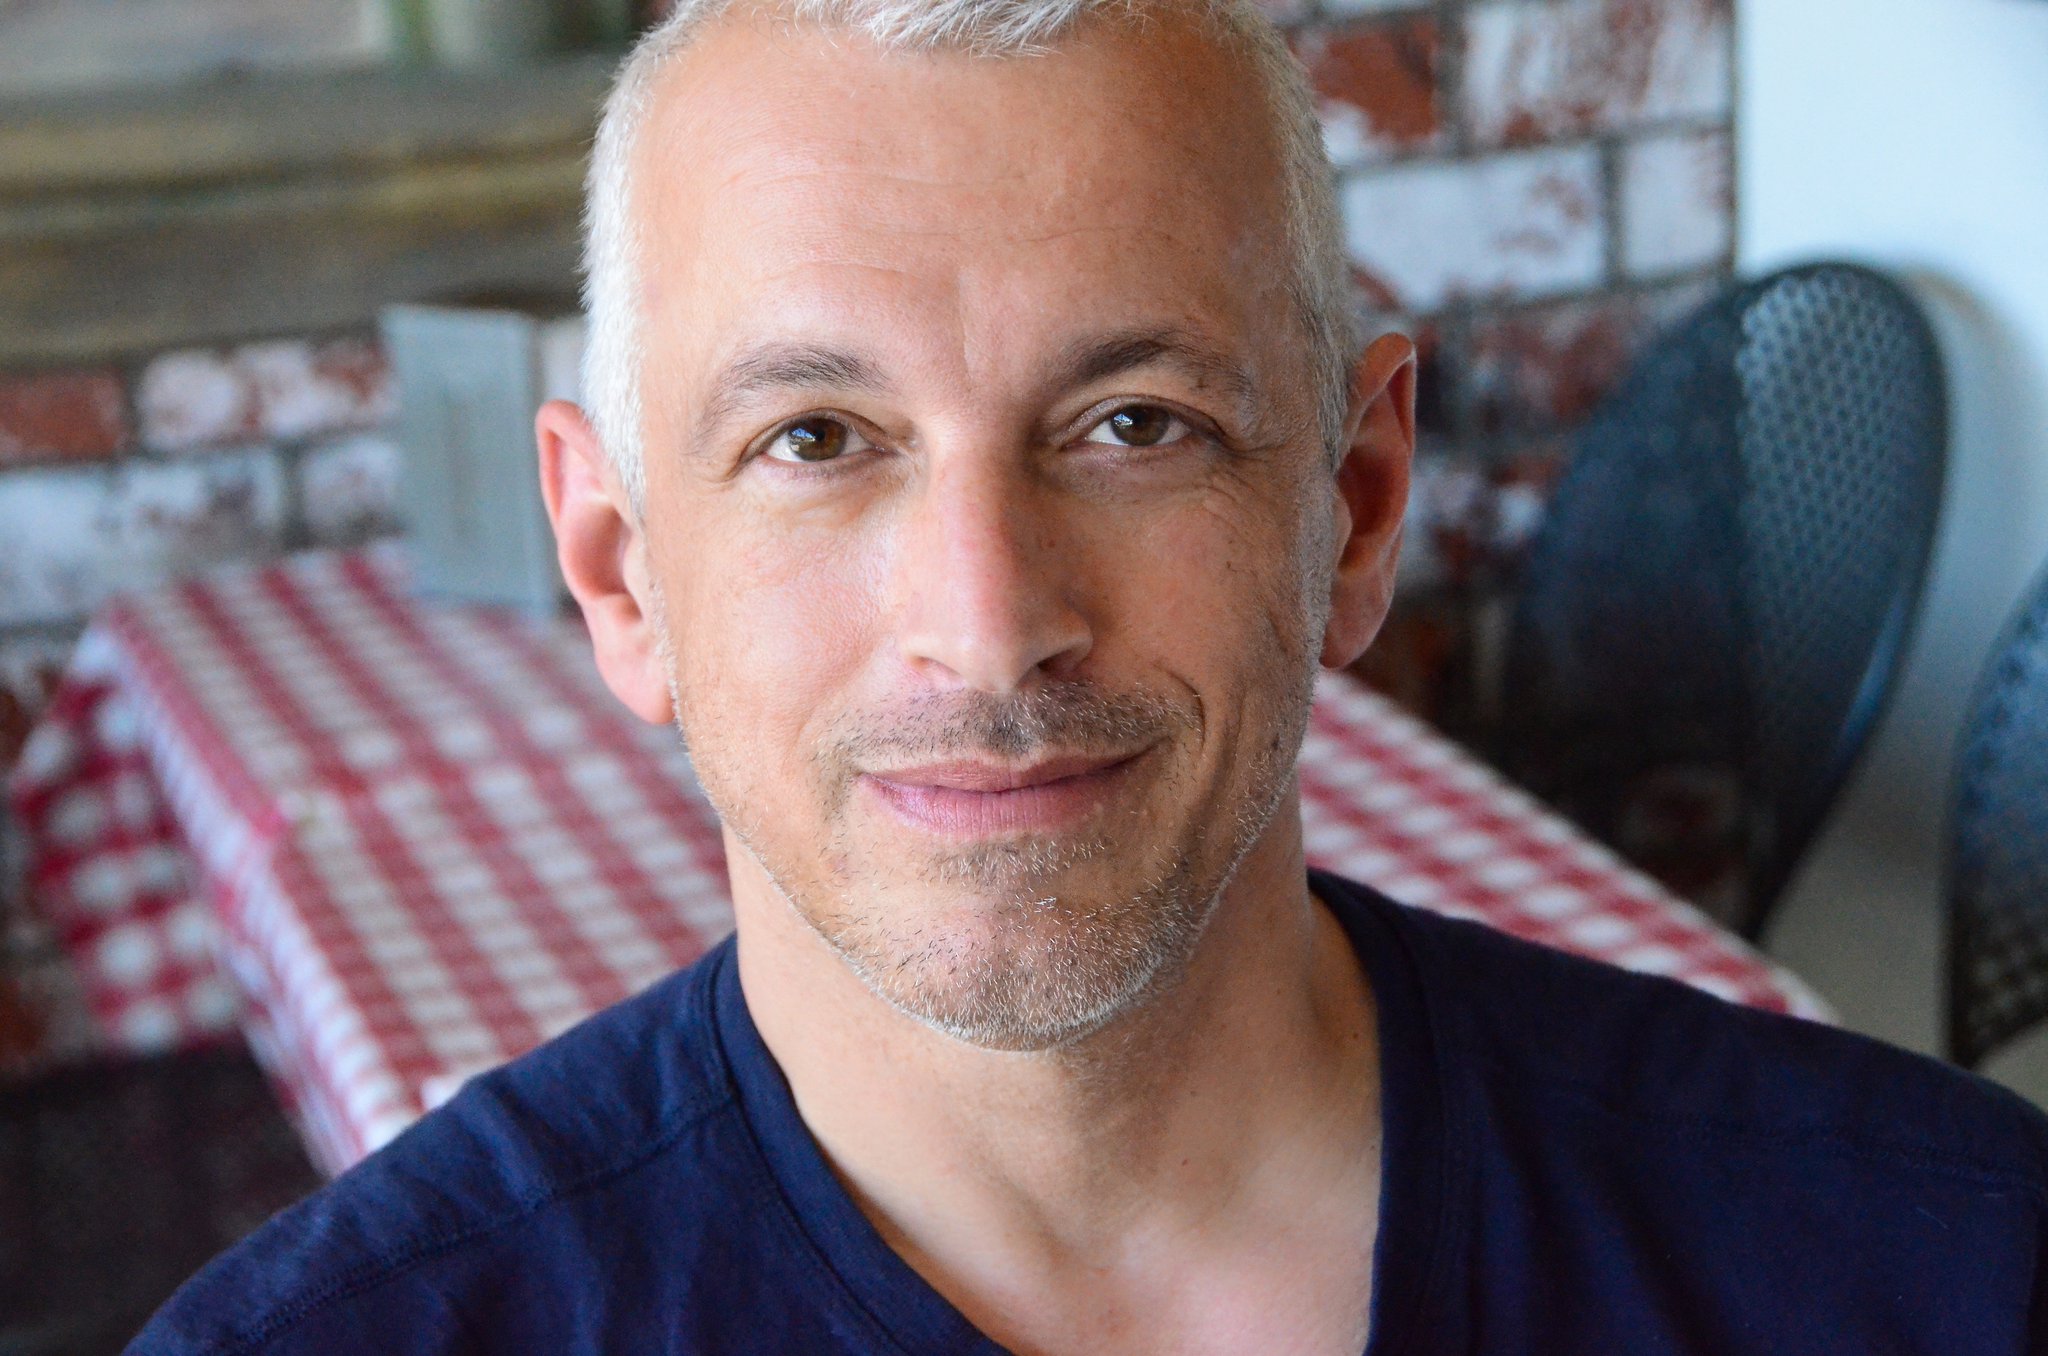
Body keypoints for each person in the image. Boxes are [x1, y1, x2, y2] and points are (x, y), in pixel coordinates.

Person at [132, 0, 2048, 1352]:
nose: (988, 625)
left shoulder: (1947, 1269)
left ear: (1355, 506)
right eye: (816, 439)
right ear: (621, 569)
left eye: (1136, 423)